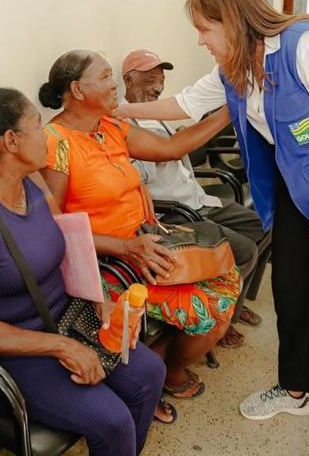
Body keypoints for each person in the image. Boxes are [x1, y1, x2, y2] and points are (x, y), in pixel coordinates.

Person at [116, 0, 309, 456]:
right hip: (301, 193)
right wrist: (113, 110)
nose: (199, 40)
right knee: (291, 296)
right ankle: (295, 390)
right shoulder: (236, 65)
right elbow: (186, 105)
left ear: (232, 22)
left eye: (204, 28)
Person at [0, 88, 168, 454]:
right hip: (11, 348)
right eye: (38, 126)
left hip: (65, 316)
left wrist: (98, 295)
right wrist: (62, 346)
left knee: (149, 374)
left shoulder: (30, 177)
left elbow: (66, 238)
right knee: (112, 419)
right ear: (10, 141)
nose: (47, 135)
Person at [37, 50, 240, 403]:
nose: (113, 82)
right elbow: (54, 226)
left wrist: (231, 110)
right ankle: (167, 375)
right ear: (77, 89)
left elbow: (173, 147)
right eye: (103, 77)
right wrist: (126, 248)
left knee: (227, 277)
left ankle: (156, 365)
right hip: (105, 263)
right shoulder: (55, 142)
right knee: (211, 309)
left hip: (143, 243)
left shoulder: (111, 127)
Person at [121, 49, 266, 350]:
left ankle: (233, 300)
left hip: (198, 199)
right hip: (177, 214)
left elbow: (175, 148)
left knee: (262, 224)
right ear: (127, 79)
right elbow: (150, 173)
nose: (158, 87)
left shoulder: (155, 114)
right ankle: (222, 312)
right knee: (245, 251)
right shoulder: (125, 126)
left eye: (161, 80)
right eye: (150, 79)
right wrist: (227, 110)